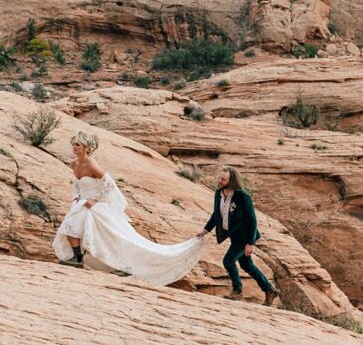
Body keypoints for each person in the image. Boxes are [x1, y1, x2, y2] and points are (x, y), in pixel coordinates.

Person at [52, 131, 208, 285]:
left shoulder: (91, 164)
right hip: (81, 203)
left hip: (94, 205)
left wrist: (95, 199)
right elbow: (76, 183)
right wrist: (76, 196)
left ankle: (103, 262)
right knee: (70, 228)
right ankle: (77, 258)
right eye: (73, 144)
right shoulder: (74, 163)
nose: (74, 147)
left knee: (108, 236)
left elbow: (109, 184)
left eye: (78, 144)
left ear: (86, 147)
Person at [197, 166, 280, 305]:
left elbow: (252, 220)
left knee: (228, 261)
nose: (220, 181)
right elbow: (216, 214)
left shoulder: (242, 196)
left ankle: (237, 291)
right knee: (247, 265)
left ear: (231, 180)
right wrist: (205, 230)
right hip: (234, 236)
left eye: (223, 179)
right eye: (219, 178)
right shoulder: (218, 193)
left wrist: (250, 243)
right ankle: (269, 289)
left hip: (244, 237)